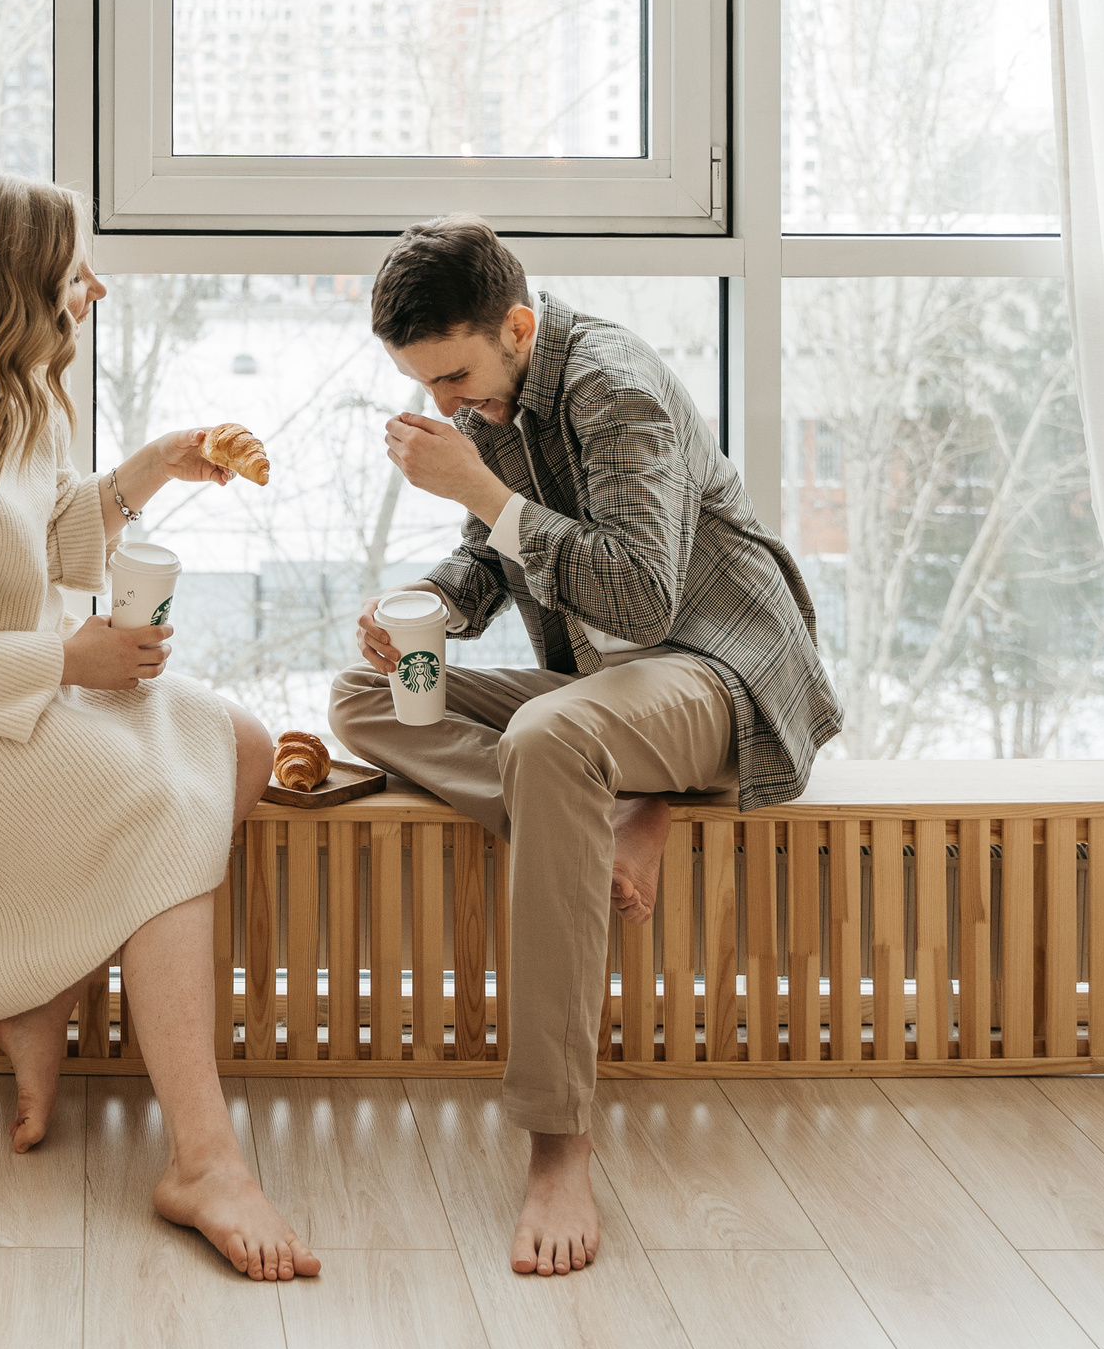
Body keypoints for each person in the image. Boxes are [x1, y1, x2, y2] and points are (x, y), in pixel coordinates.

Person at [0, 172, 317, 1283]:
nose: (93, 288)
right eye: (72, 270)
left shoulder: (5, 390)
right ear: (4, 286)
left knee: (240, 748)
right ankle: (202, 1160)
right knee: (148, 804)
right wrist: (64, 660)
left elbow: (48, 537)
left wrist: (150, 468)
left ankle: (44, 986)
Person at [329, 215, 840, 1277]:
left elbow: (642, 597)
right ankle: (609, 803)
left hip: (717, 672)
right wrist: (420, 605)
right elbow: (491, 557)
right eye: (425, 386)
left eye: (456, 376)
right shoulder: (496, 398)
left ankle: (558, 1138)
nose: (446, 406)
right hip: (602, 695)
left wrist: (483, 492)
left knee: (553, 733)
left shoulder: (615, 389)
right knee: (365, 698)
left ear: (517, 326)